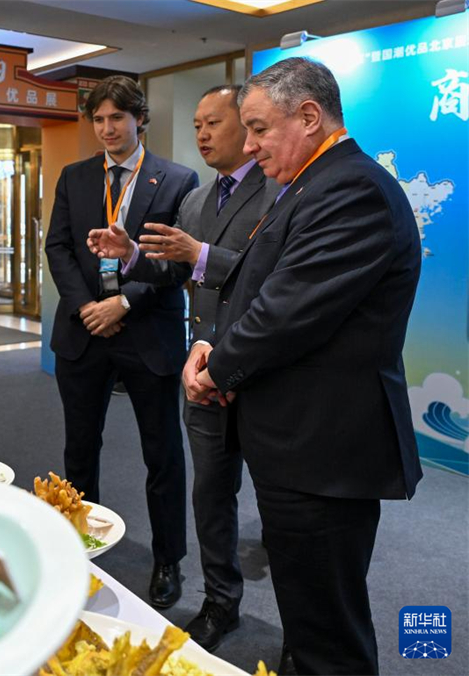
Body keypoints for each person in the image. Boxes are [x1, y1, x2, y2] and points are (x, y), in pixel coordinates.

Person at [187, 58, 422, 675]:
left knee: (327, 635)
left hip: (324, 450)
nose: (249, 145)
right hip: (297, 444)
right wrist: (214, 344)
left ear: (310, 116)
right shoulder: (310, 184)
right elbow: (263, 287)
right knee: (306, 614)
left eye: (259, 128)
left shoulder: (352, 189)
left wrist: (216, 369)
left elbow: (286, 312)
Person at [88, 84, 280, 650]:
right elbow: (177, 274)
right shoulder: (197, 201)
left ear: (247, 126)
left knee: (279, 504)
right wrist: (132, 255)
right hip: (202, 373)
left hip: (264, 373)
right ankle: (221, 603)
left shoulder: (281, 191)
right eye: (196, 124)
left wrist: (198, 255)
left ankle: (303, 629)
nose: (201, 134)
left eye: (213, 123)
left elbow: (271, 280)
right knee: (210, 494)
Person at [44, 75, 198, 609]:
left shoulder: (177, 180)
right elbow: (58, 248)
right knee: (79, 449)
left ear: (140, 120)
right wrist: (88, 307)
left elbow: (177, 263)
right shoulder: (75, 177)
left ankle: (168, 559)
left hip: (147, 330)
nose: (107, 129)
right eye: (99, 119)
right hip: (84, 331)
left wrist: (124, 303)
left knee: (163, 453)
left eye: (117, 118)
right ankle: (78, 548)